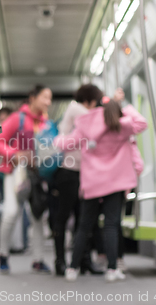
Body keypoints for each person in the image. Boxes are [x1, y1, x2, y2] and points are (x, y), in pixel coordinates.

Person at [54, 88, 147, 282]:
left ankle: (72, 268)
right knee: (112, 224)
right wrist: (125, 107)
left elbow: (65, 144)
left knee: (84, 225)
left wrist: (57, 137)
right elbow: (142, 122)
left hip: (92, 183)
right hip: (115, 183)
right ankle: (112, 269)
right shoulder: (123, 127)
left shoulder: (87, 128)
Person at [0, 85, 53, 274]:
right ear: (32, 98)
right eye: (44, 97)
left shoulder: (46, 123)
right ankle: (2, 253)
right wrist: (15, 154)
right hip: (16, 172)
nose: (48, 102)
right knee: (11, 213)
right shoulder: (17, 118)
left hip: (36, 174)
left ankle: (38, 260)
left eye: (50, 98)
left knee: (38, 216)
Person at [52, 83, 103, 276]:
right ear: (89, 100)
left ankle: (82, 260)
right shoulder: (77, 109)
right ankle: (63, 261)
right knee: (66, 216)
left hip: (82, 171)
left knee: (82, 217)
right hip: (70, 170)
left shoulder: (81, 111)